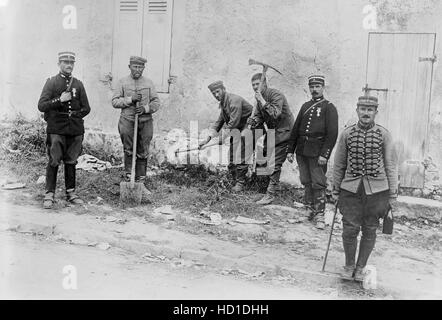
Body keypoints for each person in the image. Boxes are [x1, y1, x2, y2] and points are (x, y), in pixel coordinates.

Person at [332, 95, 398, 280]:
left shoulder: (384, 134)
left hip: (377, 191)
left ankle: (361, 268)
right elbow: (339, 164)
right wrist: (335, 189)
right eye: (362, 109)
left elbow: (391, 164)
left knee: (370, 229)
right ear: (357, 111)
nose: (366, 113)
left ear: (376, 112)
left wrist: (392, 194)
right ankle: (349, 265)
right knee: (349, 228)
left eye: (370, 110)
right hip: (351, 189)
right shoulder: (347, 134)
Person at [37, 52, 91, 209]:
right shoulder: (52, 82)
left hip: (75, 129)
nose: (69, 65)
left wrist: (74, 116)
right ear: (59, 63)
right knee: (54, 161)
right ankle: (49, 194)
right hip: (56, 128)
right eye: (65, 62)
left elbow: (86, 108)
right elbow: (41, 105)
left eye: (71, 62)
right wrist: (59, 100)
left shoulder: (78, 84)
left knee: (71, 161)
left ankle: (71, 193)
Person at [287, 75, 339, 229]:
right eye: (312, 87)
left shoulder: (329, 107)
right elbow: (296, 129)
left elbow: (332, 134)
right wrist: (290, 150)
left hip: (317, 152)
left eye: (317, 86)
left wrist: (325, 154)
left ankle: (320, 215)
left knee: (318, 183)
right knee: (306, 181)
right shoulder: (305, 106)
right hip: (302, 151)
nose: (314, 89)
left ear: (323, 88)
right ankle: (309, 210)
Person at [247, 73, 295, 205]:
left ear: (265, 83)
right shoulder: (258, 99)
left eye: (257, 84)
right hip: (273, 132)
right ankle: (262, 190)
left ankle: (270, 194)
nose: (255, 87)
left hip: (285, 132)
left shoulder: (275, 95)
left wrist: (262, 101)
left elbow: (275, 114)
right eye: (253, 85)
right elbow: (260, 117)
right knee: (263, 159)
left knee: (275, 162)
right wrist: (254, 120)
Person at [112, 56, 161, 182]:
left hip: (145, 121)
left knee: (143, 150)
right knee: (128, 149)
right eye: (135, 66)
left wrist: (145, 109)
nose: (137, 69)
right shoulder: (122, 82)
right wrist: (129, 99)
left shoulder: (149, 83)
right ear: (130, 67)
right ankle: (129, 176)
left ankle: (141, 180)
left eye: (140, 67)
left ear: (144, 68)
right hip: (127, 120)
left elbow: (156, 102)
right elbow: (115, 102)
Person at [199, 81, 253, 192]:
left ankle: (240, 183)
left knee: (241, 153)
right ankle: (233, 178)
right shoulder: (223, 104)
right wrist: (206, 140)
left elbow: (233, 122)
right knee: (232, 153)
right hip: (237, 129)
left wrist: (222, 138)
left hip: (251, 127)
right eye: (213, 93)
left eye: (218, 92)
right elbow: (219, 122)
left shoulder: (234, 100)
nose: (216, 95)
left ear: (224, 89)